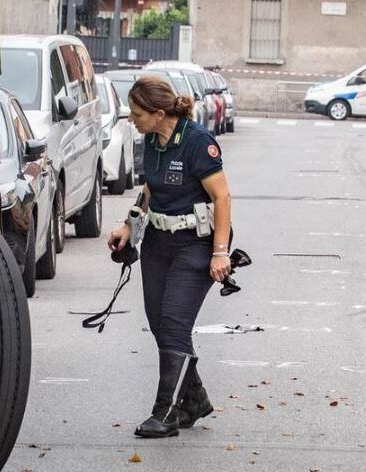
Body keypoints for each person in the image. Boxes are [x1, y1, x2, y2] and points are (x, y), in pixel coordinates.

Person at [107, 75, 234, 438]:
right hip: (158, 243)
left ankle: (166, 412)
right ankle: (194, 399)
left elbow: (222, 198)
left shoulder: (197, 141)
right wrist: (129, 225)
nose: (132, 119)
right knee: (160, 324)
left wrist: (220, 253)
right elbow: (151, 187)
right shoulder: (151, 140)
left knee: (175, 324)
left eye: (137, 113)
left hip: (195, 244)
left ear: (159, 113)